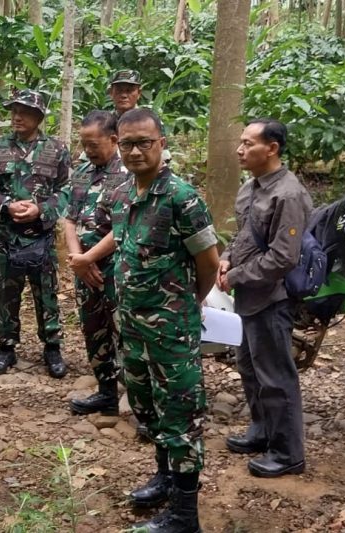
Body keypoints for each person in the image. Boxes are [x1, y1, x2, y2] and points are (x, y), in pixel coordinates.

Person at [71, 108, 219, 531]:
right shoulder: (122, 193)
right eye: (128, 144)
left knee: (180, 414)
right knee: (146, 405)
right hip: (132, 326)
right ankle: (164, 477)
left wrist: (187, 304)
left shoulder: (181, 198)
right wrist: (88, 257)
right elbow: (121, 236)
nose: (135, 152)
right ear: (118, 145)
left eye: (144, 143)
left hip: (171, 331)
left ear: (161, 144)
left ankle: (185, 515)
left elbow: (209, 263)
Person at [217, 118, 310, 478]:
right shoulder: (251, 187)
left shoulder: (288, 194)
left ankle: (288, 453)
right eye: (240, 142)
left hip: (272, 297)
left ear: (272, 149)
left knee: (275, 375)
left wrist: (236, 276)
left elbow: (283, 258)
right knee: (250, 368)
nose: (240, 150)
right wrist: (227, 258)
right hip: (249, 296)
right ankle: (262, 430)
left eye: (248, 144)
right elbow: (244, 235)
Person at [0, 89, 70, 379]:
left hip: (42, 236)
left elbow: (66, 190)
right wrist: (7, 205)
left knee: (47, 293)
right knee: (7, 292)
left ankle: (52, 346)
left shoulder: (56, 149)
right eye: (14, 111)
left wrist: (41, 209)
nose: (17, 117)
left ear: (39, 117)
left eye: (25, 112)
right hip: (8, 237)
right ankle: (6, 346)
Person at [64, 110, 129, 416]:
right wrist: (78, 259)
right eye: (84, 144)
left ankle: (139, 399)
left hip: (116, 267)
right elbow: (69, 218)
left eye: (94, 144)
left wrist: (89, 258)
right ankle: (106, 392)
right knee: (94, 329)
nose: (88, 150)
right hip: (84, 267)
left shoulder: (129, 173)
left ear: (113, 140)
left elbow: (126, 225)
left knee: (124, 332)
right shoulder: (81, 172)